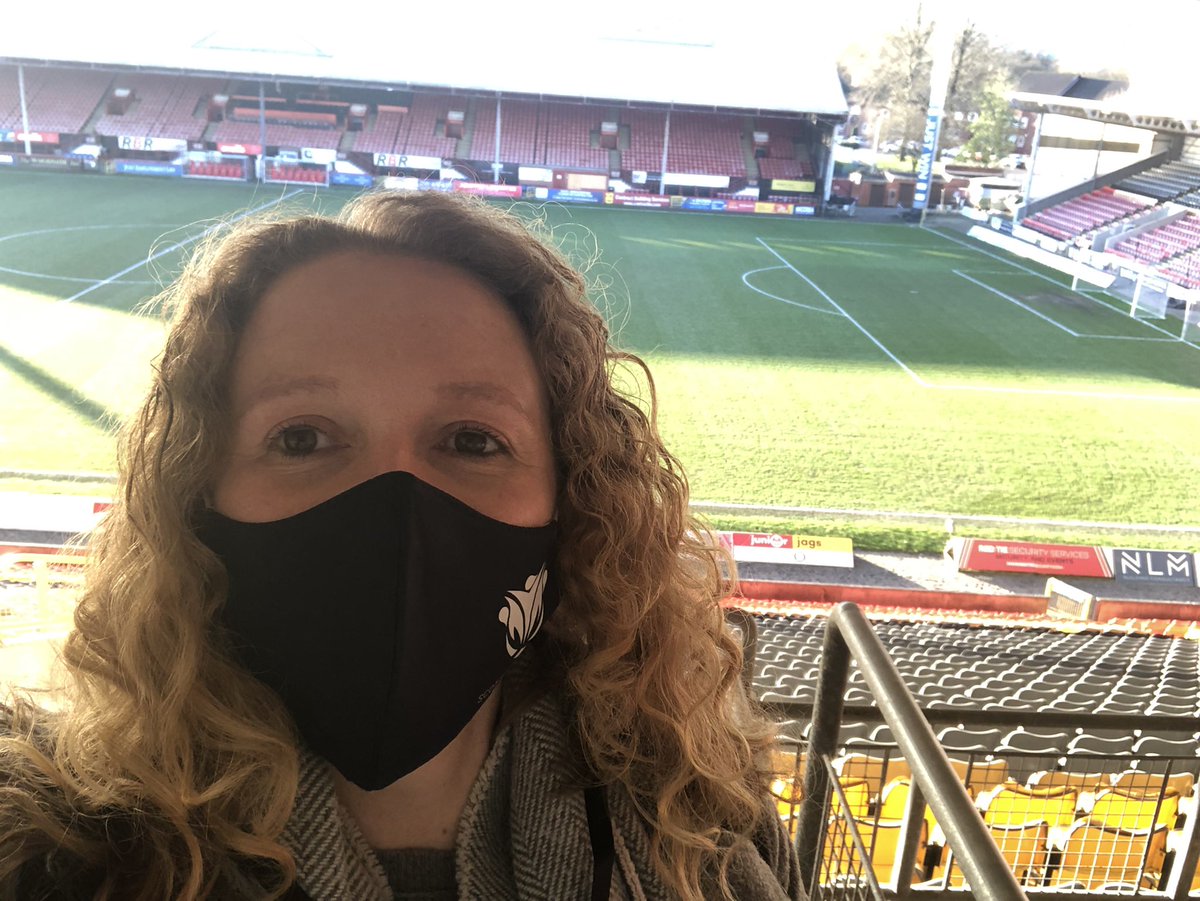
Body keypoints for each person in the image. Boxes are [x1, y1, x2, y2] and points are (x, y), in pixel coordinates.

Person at [0, 191, 803, 900]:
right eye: (303, 435)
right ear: (198, 493)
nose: (396, 505)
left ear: (572, 496)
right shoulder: (45, 844)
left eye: (473, 440)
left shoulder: (716, 824)